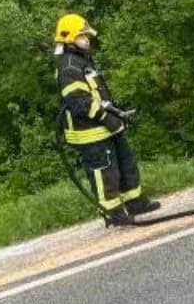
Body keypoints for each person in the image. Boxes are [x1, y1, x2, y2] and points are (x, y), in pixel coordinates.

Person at [54, 13, 159, 226]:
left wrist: (116, 114)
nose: (87, 40)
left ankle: (134, 202)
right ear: (70, 38)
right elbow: (80, 103)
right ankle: (114, 213)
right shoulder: (69, 67)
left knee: (125, 164)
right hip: (90, 132)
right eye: (83, 36)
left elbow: (98, 95)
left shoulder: (81, 61)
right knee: (105, 173)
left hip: (105, 126)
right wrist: (106, 118)